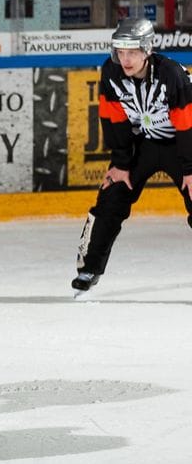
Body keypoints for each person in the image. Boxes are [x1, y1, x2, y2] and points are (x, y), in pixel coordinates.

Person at [73, 17, 192, 295]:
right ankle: (89, 268)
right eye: (121, 52)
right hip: (145, 144)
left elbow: (187, 124)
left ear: (147, 50)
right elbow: (112, 117)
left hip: (184, 143)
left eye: (133, 52)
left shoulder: (171, 75)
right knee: (112, 195)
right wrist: (122, 163)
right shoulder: (111, 72)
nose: (125, 59)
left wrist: (190, 169)